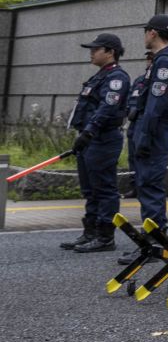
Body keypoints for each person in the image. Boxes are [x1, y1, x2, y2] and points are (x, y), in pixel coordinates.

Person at [63, 33, 131, 253]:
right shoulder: (100, 76)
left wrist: (90, 132)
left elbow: (107, 108)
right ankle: (90, 232)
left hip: (103, 139)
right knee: (90, 189)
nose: (91, 53)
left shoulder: (116, 77)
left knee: (104, 189)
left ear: (110, 52)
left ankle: (105, 236)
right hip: (89, 138)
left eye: (96, 49)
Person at [124, 13, 168, 232]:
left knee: (149, 184)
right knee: (145, 183)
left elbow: (155, 104)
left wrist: (144, 136)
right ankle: (151, 236)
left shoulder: (165, 62)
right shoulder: (160, 60)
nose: (144, 36)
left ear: (153, 33)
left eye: (146, 32)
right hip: (151, 129)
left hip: (154, 130)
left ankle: (154, 237)